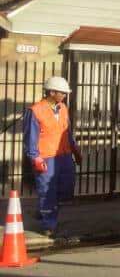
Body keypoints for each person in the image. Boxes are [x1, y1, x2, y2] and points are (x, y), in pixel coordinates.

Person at [23, 76, 82, 239]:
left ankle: (43, 212)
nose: (64, 95)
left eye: (65, 93)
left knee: (66, 188)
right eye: (62, 93)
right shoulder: (35, 111)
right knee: (47, 191)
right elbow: (30, 138)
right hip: (46, 157)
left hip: (64, 156)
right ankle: (49, 225)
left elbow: (67, 132)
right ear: (51, 92)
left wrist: (75, 150)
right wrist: (35, 158)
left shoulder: (63, 108)